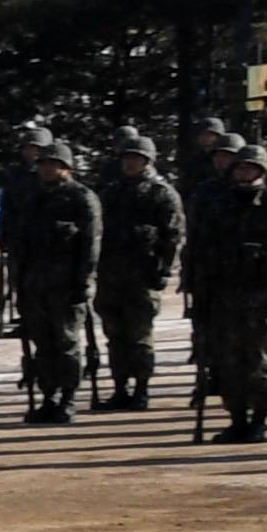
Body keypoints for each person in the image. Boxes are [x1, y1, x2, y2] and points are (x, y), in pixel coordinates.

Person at [189, 139, 267, 444]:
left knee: (259, 362)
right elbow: (201, 248)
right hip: (223, 295)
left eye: (251, 167)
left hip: (261, 296)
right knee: (227, 363)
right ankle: (237, 419)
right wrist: (199, 289)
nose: (244, 173)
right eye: (240, 167)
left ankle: (259, 420)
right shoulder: (219, 204)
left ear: (262, 171)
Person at [9, 141, 101, 424]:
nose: (47, 169)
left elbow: (90, 245)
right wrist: (18, 282)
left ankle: (68, 398)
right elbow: (21, 244)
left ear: (67, 168)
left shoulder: (81, 199)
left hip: (67, 287)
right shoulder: (33, 199)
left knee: (67, 344)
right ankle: (48, 397)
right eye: (43, 164)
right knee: (42, 344)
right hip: (36, 286)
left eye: (54, 164)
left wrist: (82, 283)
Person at [95, 134, 184, 412]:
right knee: (115, 335)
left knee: (140, 337)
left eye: (136, 159)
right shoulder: (111, 192)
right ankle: (121, 387)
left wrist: (164, 270)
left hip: (142, 277)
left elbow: (173, 235)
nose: (130, 163)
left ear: (148, 161)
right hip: (111, 277)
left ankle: (142, 389)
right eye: (127, 158)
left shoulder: (161, 193)